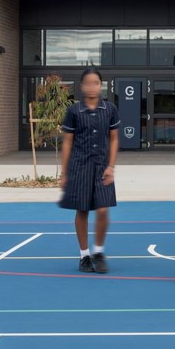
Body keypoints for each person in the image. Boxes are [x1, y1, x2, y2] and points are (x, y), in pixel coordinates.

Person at [59, 67, 120, 274]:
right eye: (88, 83)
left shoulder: (109, 109)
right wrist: (65, 172)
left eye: (96, 82)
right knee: (82, 210)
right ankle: (84, 255)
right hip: (79, 167)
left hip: (102, 167)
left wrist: (111, 166)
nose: (92, 86)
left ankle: (99, 252)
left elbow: (114, 139)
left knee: (103, 209)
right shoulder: (74, 111)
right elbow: (67, 143)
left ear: (100, 85)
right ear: (82, 86)